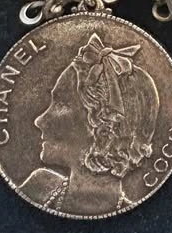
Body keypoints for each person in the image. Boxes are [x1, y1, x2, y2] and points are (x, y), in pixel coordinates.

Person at [20, 32, 160, 215]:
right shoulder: (37, 185)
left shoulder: (39, 191)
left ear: (104, 128)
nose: (39, 121)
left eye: (60, 104)